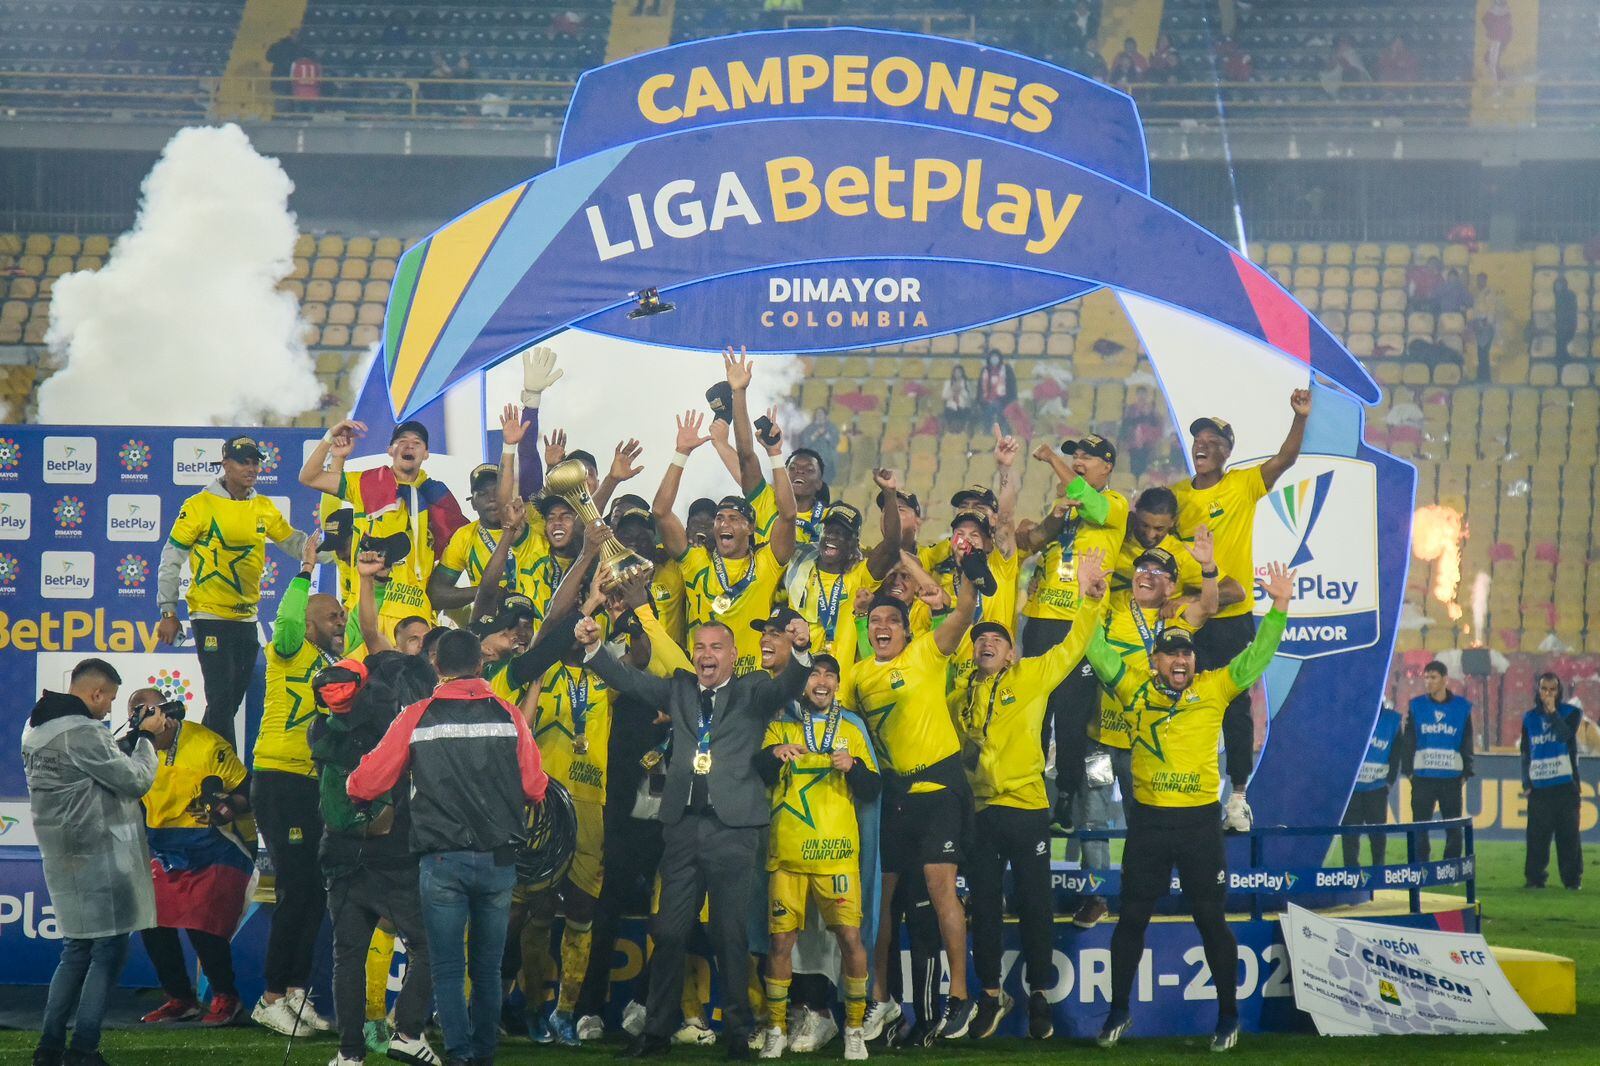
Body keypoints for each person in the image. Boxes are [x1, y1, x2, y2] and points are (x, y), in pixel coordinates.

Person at [574, 610, 812, 1058]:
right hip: (681, 828)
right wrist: (593, 649)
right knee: (668, 931)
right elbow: (630, 682)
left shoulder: (753, 690)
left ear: (733, 655)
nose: (706, 655)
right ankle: (657, 1031)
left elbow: (788, 685)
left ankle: (739, 1032)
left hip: (734, 829)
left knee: (730, 933)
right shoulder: (680, 687)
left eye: (716, 647)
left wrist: (800, 652)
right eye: (700, 647)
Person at [1088, 563, 1295, 1053]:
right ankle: (1117, 1013)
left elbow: (1258, 655)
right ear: (1155, 659)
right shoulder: (1131, 685)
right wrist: (1089, 599)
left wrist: (1280, 606)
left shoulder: (1215, 686)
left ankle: (1227, 1018)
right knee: (1131, 918)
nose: (1180, 659)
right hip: (1150, 824)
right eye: (1171, 652)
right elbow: (1092, 648)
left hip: (1201, 824)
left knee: (1211, 919)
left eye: (1187, 652)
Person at [349, 628, 550, 1066]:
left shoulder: (417, 716)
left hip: (441, 861)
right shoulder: (510, 715)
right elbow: (535, 787)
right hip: (498, 860)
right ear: (480, 665)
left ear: (436, 666)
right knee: (487, 970)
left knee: (447, 968)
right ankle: (484, 1055)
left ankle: (459, 1056)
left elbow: (366, 783)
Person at [958, 552, 1109, 1041]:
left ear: (1011, 655)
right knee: (982, 904)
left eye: (997, 640)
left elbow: (1072, 647)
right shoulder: (958, 691)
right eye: (981, 638)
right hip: (981, 811)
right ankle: (990, 995)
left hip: (1026, 808)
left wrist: (1089, 599)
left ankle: (1040, 995)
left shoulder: (1031, 677)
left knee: (1035, 903)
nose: (987, 643)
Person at [843, 552, 982, 1041]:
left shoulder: (925, 651)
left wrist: (961, 573)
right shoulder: (857, 676)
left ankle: (960, 996)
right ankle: (879, 1001)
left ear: (905, 630)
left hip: (941, 789)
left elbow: (965, 612)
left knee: (942, 889)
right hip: (893, 796)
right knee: (880, 902)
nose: (883, 627)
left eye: (891, 621)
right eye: (875, 620)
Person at [1172, 391, 1310, 832]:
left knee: (1233, 706)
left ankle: (1237, 798)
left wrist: (1299, 417)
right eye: (1199, 439)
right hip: (1190, 617)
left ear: (1228, 453)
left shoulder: (1243, 484)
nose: (1204, 445)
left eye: (1214, 440)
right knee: (1183, 702)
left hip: (1230, 619)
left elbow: (1287, 458)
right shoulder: (1176, 496)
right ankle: (1191, 790)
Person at [1075, 534, 1222, 927]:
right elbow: (1085, 627)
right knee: (1092, 815)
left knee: (1143, 819)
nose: (1147, 575)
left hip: (1147, 747)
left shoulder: (1175, 619)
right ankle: (1096, 894)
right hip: (1102, 738)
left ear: (1172, 584)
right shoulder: (1113, 604)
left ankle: (1138, 891)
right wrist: (1086, 590)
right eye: (1142, 568)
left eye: (1158, 571)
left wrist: (1208, 568)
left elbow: (1209, 605)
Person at [24, 660, 161, 1066]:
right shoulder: (83, 732)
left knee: (75, 951)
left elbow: (86, 772)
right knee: (108, 953)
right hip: (100, 856)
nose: (108, 711)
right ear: (96, 693)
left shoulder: (34, 728)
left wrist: (126, 738)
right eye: (110, 701)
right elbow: (134, 780)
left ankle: (48, 1047)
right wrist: (146, 740)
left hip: (60, 853)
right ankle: (84, 1048)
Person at [311, 652, 442, 1066]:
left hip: (340, 855)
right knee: (431, 946)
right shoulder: (403, 725)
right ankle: (407, 1031)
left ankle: (349, 1055)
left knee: (347, 958)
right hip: (393, 858)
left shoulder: (323, 728)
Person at [756, 654, 881, 1061]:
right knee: (780, 943)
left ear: (838, 684)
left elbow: (872, 789)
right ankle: (776, 1027)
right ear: (803, 683)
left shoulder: (851, 730)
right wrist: (773, 755)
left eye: (829, 674)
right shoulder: (780, 725)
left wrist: (855, 767)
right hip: (788, 856)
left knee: (850, 939)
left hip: (838, 856)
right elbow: (757, 769)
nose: (821, 681)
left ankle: (855, 1028)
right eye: (814, 674)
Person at [250, 533, 347, 1037]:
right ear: (309, 622)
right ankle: (268, 997)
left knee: (312, 891)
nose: (341, 622)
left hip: (312, 785)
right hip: (280, 780)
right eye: (333, 616)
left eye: (343, 616)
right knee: (295, 889)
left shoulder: (332, 669)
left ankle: (294, 991)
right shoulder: (288, 649)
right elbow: (287, 621)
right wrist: (305, 571)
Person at [158, 434, 314, 747]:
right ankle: (229, 781)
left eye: (256, 461)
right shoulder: (199, 505)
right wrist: (168, 611)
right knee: (220, 699)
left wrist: (338, 548)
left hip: (246, 620)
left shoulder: (263, 507)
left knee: (227, 704)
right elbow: (171, 559)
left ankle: (197, 764)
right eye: (244, 461)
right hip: (209, 616)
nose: (252, 467)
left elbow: (295, 544)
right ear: (225, 464)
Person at [1016, 435, 1129, 834]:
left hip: (1079, 623)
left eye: (1087, 456)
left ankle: (1065, 799)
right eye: (1073, 455)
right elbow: (1033, 544)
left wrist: (1050, 458)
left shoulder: (1115, 505)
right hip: (1041, 619)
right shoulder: (1063, 506)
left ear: (1107, 466)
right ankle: (1027, 793)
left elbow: (1091, 502)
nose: (1078, 461)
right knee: (1033, 713)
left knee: (1070, 719)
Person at [131, 687, 252, 1029]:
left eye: (152, 717)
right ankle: (180, 999)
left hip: (213, 846)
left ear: (167, 716)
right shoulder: (134, 749)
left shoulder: (207, 746)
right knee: (150, 921)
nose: (147, 727)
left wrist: (226, 808)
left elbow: (246, 791)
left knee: (201, 922)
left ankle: (227, 997)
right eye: (139, 720)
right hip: (167, 850)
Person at [299, 417, 467, 643]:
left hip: (416, 618)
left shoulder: (437, 498)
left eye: (417, 442)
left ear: (426, 453)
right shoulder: (366, 484)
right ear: (390, 450)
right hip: (368, 613)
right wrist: (330, 439)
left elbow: (457, 549)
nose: (409, 445)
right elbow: (309, 477)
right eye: (402, 441)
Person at [429, 463, 542, 611]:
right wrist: (483, 591)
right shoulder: (465, 536)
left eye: (498, 490)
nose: (492, 498)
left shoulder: (532, 520)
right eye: (482, 494)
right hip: (492, 628)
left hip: (539, 623)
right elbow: (436, 594)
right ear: (473, 503)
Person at [1401, 660, 1474, 862]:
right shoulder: (1416, 706)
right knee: (1420, 825)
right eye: (1426, 678)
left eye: (1433, 677)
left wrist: (1466, 772)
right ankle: (1420, 865)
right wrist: (1408, 771)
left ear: (1445, 679)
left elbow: (1467, 741)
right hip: (1423, 777)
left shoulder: (1461, 708)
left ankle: (1451, 867)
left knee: (1453, 826)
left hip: (1451, 778)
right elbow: (1409, 740)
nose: (1428, 682)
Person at [1520, 673, 1583, 890]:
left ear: (1559, 691)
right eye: (1544, 689)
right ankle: (1535, 880)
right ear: (1538, 691)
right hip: (1540, 788)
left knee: (1569, 837)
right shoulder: (1529, 718)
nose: (1548, 694)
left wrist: (1553, 712)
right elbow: (1525, 753)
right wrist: (1526, 783)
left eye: (1552, 690)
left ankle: (1572, 881)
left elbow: (1564, 735)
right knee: (1537, 838)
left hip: (1565, 786)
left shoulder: (1571, 713)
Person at [1341, 701, 1402, 867]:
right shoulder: (1350, 717)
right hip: (1353, 790)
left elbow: (1396, 754)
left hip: (1376, 789)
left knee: (1377, 836)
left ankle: (1378, 871)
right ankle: (1351, 873)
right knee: (1350, 835)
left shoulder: (1392, 720)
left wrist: (1389, 781)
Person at [1469, 273, 1503, 382]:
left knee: (1484, 352)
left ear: (1486, 280)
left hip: (1485, 325)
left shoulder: (1489, 293)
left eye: (1482, 280)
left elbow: (1491, 310)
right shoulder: (1477, 293)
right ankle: (1482, 377)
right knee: (1481, 352)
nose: (1480, 282)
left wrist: (1485, 324)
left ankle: (1485, 378)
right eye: (1478, 280)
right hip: (1478, 324)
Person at [976, 352, 1016, 433]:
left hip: (1003, 401)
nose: (994, 359)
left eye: (996, 357)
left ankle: (999, 431)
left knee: (996, 406)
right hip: (987, 402)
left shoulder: (1006, 369)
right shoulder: (985, 371)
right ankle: (988, 431)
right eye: (992, 357)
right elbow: (980, 389)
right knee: (990, 408)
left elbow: (1012, 387)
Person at [1554, 275, 1577, 365]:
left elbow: (1571, 311)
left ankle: (1564, 359)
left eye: (1560, 285)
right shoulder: (1555, 296)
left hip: (1568, 324)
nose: (1557, 287)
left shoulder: (1570, 295)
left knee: (1564, 341)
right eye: (1556, 285)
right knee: (1560, 342)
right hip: (1560, 324)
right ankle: (1561, 359)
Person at [942, 366, 974, 432]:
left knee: (966, 413)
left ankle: (963, 432)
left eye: (959, 372)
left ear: (962, 373)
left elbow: (969, 397)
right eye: (955, 372)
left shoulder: (966, 383)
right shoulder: (948, 383)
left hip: (963, 407)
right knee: (948, 412)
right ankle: (949, 431)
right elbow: (944, 397)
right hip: (951, 406)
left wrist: (961, 390)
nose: (957, 374)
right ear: (953, 373)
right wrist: (952, 390)